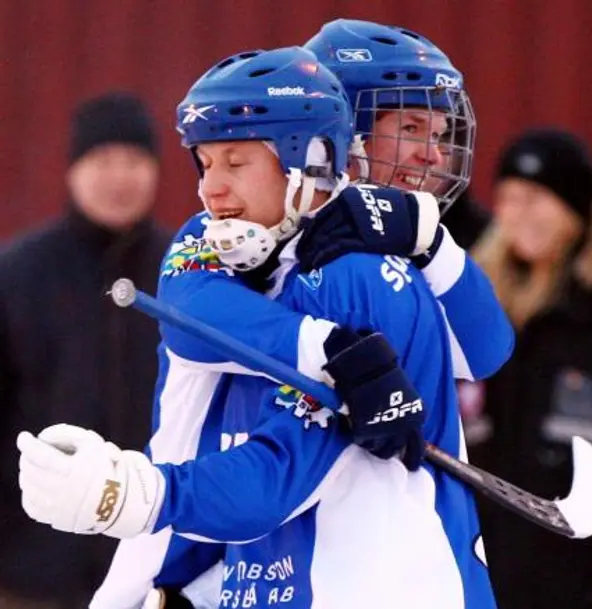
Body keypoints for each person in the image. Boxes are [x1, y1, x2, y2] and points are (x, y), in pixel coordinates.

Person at [16, 48, 513, 609]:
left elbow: (280, 474)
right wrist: (322, 348)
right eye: (205, 163)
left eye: (235, 161)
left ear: (315, 154)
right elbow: (192, 327)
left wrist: (133, 495)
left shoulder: (357, 275)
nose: (211, 190)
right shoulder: (237, 245)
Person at [0, 93, 170, 608]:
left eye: (134, 161)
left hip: (153, 565)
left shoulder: (184, 274)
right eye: (103, 161)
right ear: (74, 169)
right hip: (33, 572)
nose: (119, 177)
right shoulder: (19, 274)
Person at [466, 128, 592, 609]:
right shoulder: (488, 304)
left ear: (577, 207)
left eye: (536, 198)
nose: (518, 214)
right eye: (508, 198)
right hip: (496, 575)